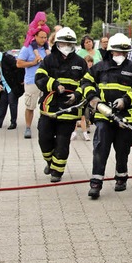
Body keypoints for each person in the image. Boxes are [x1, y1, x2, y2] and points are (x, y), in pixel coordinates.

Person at [82, 33, 132, 199]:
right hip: (104, 116)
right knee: (100, 149)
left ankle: (121, 177)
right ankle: (96, 183)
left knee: (122, 150)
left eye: (124, 53)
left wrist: (125, 101)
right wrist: (94, 99)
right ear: (111, 51)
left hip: (126, 118)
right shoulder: (100, 67)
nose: (120, 56)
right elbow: (86, 82)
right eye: (117, 52)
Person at [35, 27, 88, 183]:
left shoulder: (80, 62)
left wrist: (78, 94)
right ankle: (50, 162)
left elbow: (87, 82)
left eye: (69, 43)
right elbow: (39, 77)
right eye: (63, 42)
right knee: (44, 139)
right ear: (57, 43)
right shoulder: (49, 60)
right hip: (49, 108)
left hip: (69, 109)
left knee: (62, 141)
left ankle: (57, 171)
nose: (66, 45)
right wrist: (54, 85)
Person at [17, 30, 48, 139]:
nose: (44, 40)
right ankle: (28, 127)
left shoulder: (46, 49)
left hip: (45, 81)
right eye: (41, 37)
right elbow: (19, 63)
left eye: (45, 37)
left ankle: (45, 127)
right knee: (30, 106)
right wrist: (32, 63)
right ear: (35, 36)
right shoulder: (27, 48)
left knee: (46, 105)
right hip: (32, 81)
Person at [0, 48, 24, 129]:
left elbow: (19, 67)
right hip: (4, 86)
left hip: (13, 85)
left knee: (12, 104)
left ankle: (13, 122)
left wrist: (21, 80)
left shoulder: (7, 58)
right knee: (2, 104)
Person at [71, 55, 94, 141]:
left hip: (85, 97)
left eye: (91, 62)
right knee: (76, 115)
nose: (90, 64)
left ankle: (84, 133)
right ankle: (74, 132)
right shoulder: (81, 72)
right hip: (78, 95)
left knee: (83, 116)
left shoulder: (92, 72)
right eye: (88, 62)